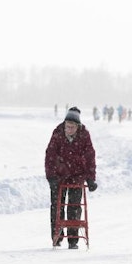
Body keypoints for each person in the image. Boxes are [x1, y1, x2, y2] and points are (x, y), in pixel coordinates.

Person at [44, 107, 97, 249]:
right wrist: (51, 178)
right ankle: (57, 237)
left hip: (76, 176)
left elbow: (90, 156)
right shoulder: (58, 133)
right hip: (59, 176)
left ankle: (73, 240)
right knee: (56, 207)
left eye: (72, 127)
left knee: (74, 207)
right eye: (67, 126)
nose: (69, 129)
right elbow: (50, 155)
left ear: (78, 126)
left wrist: (90, 178)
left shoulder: (84, 135)